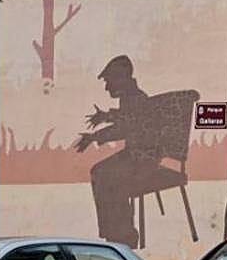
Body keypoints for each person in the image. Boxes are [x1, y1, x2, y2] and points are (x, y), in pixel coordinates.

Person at [75, 55, 181, 247]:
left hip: (143, 158)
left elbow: (126, 127)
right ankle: (114, 230)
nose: (107, 87)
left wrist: (94, 137)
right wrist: (106, 116)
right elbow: (127, 118)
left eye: (109, 81)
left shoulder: (136, 98)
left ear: (121, 79)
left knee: (108, 175)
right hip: (135, 155)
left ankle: (122, 233)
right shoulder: (130, 97)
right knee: (101, 172)